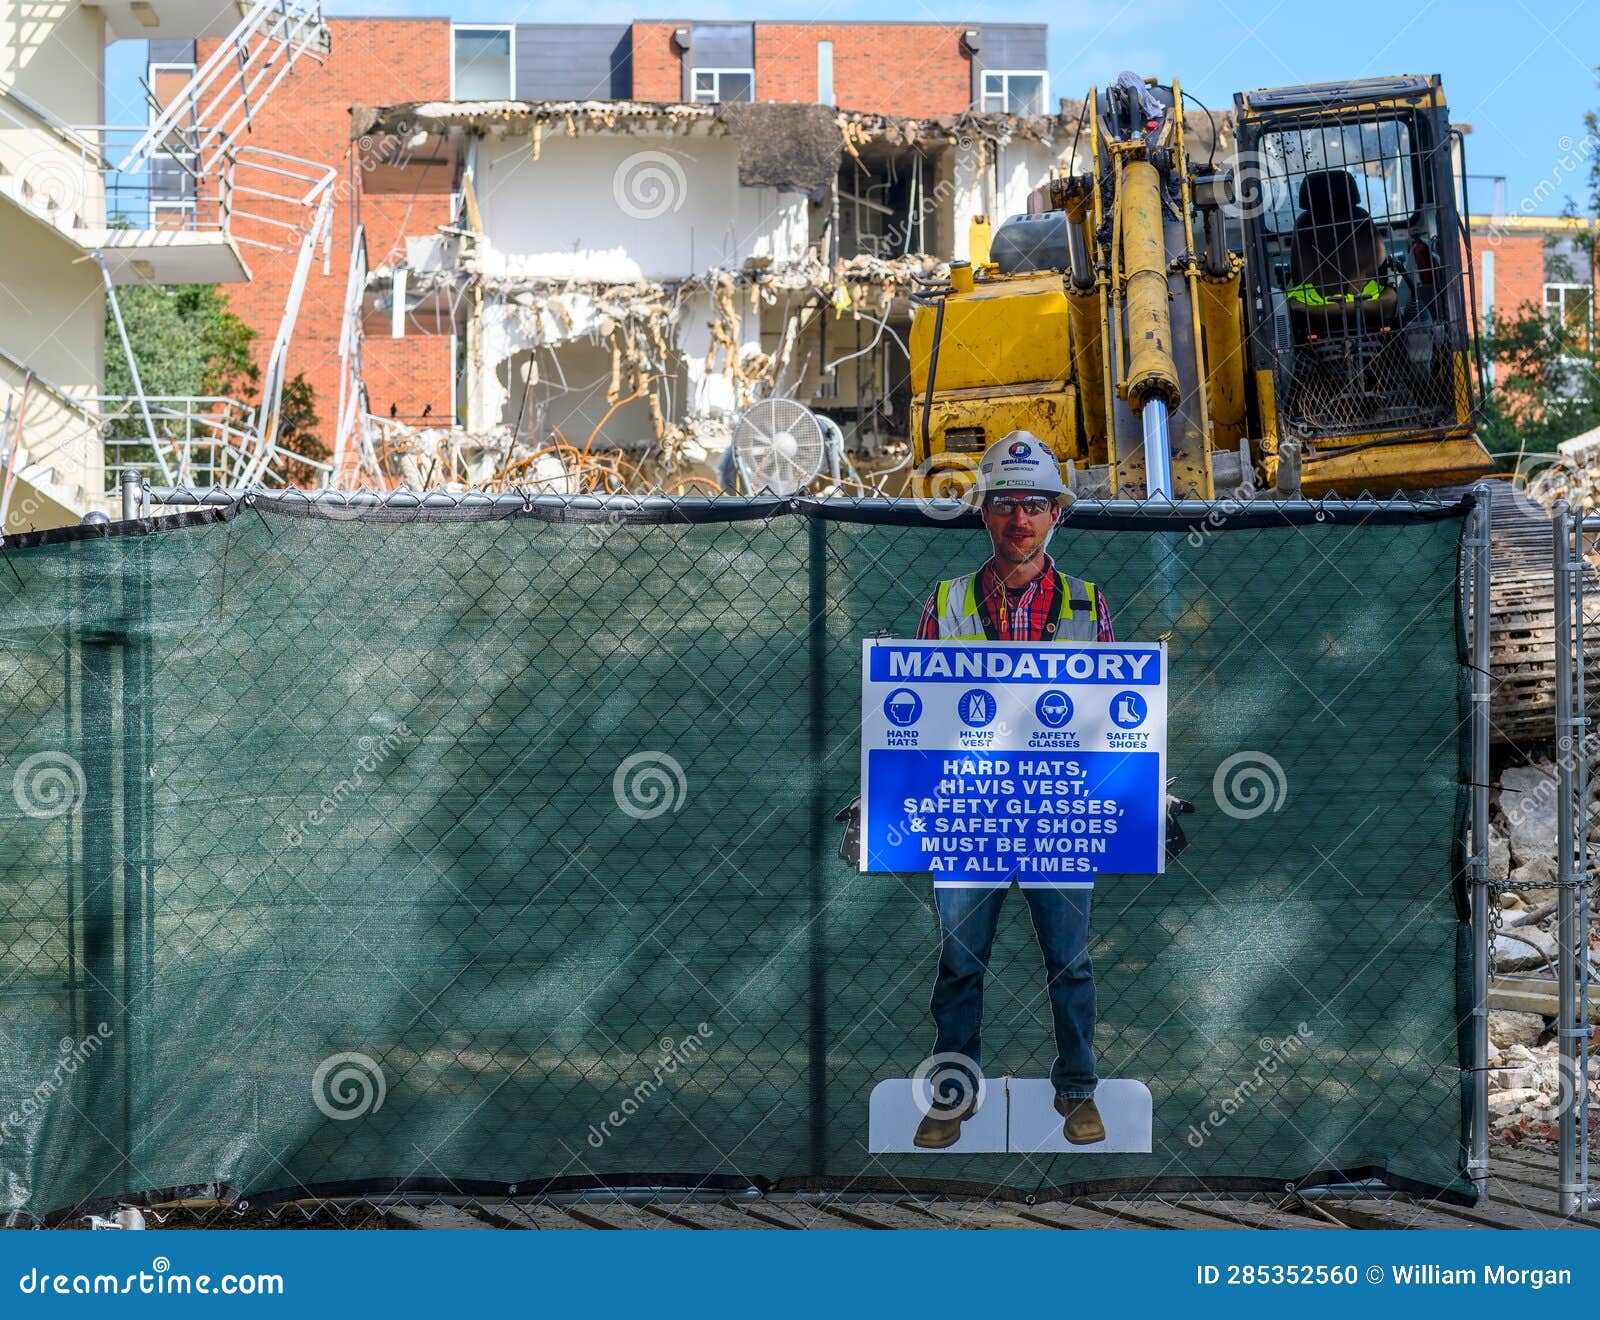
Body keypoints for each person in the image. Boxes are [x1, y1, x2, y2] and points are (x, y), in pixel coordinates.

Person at [912, 431, 1113, 1150]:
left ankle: (1079, 1093)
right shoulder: (948, 603)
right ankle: (952, 1096)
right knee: (960, 961)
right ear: (984, 514)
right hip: (971, 814)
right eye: (1004, 504)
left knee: (1072, 962)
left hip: (1059, 815)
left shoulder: (1090, 607)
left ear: (1056, 514)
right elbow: (920, 721)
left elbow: (1116, 725)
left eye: (1033, 504)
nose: (1018, 519)